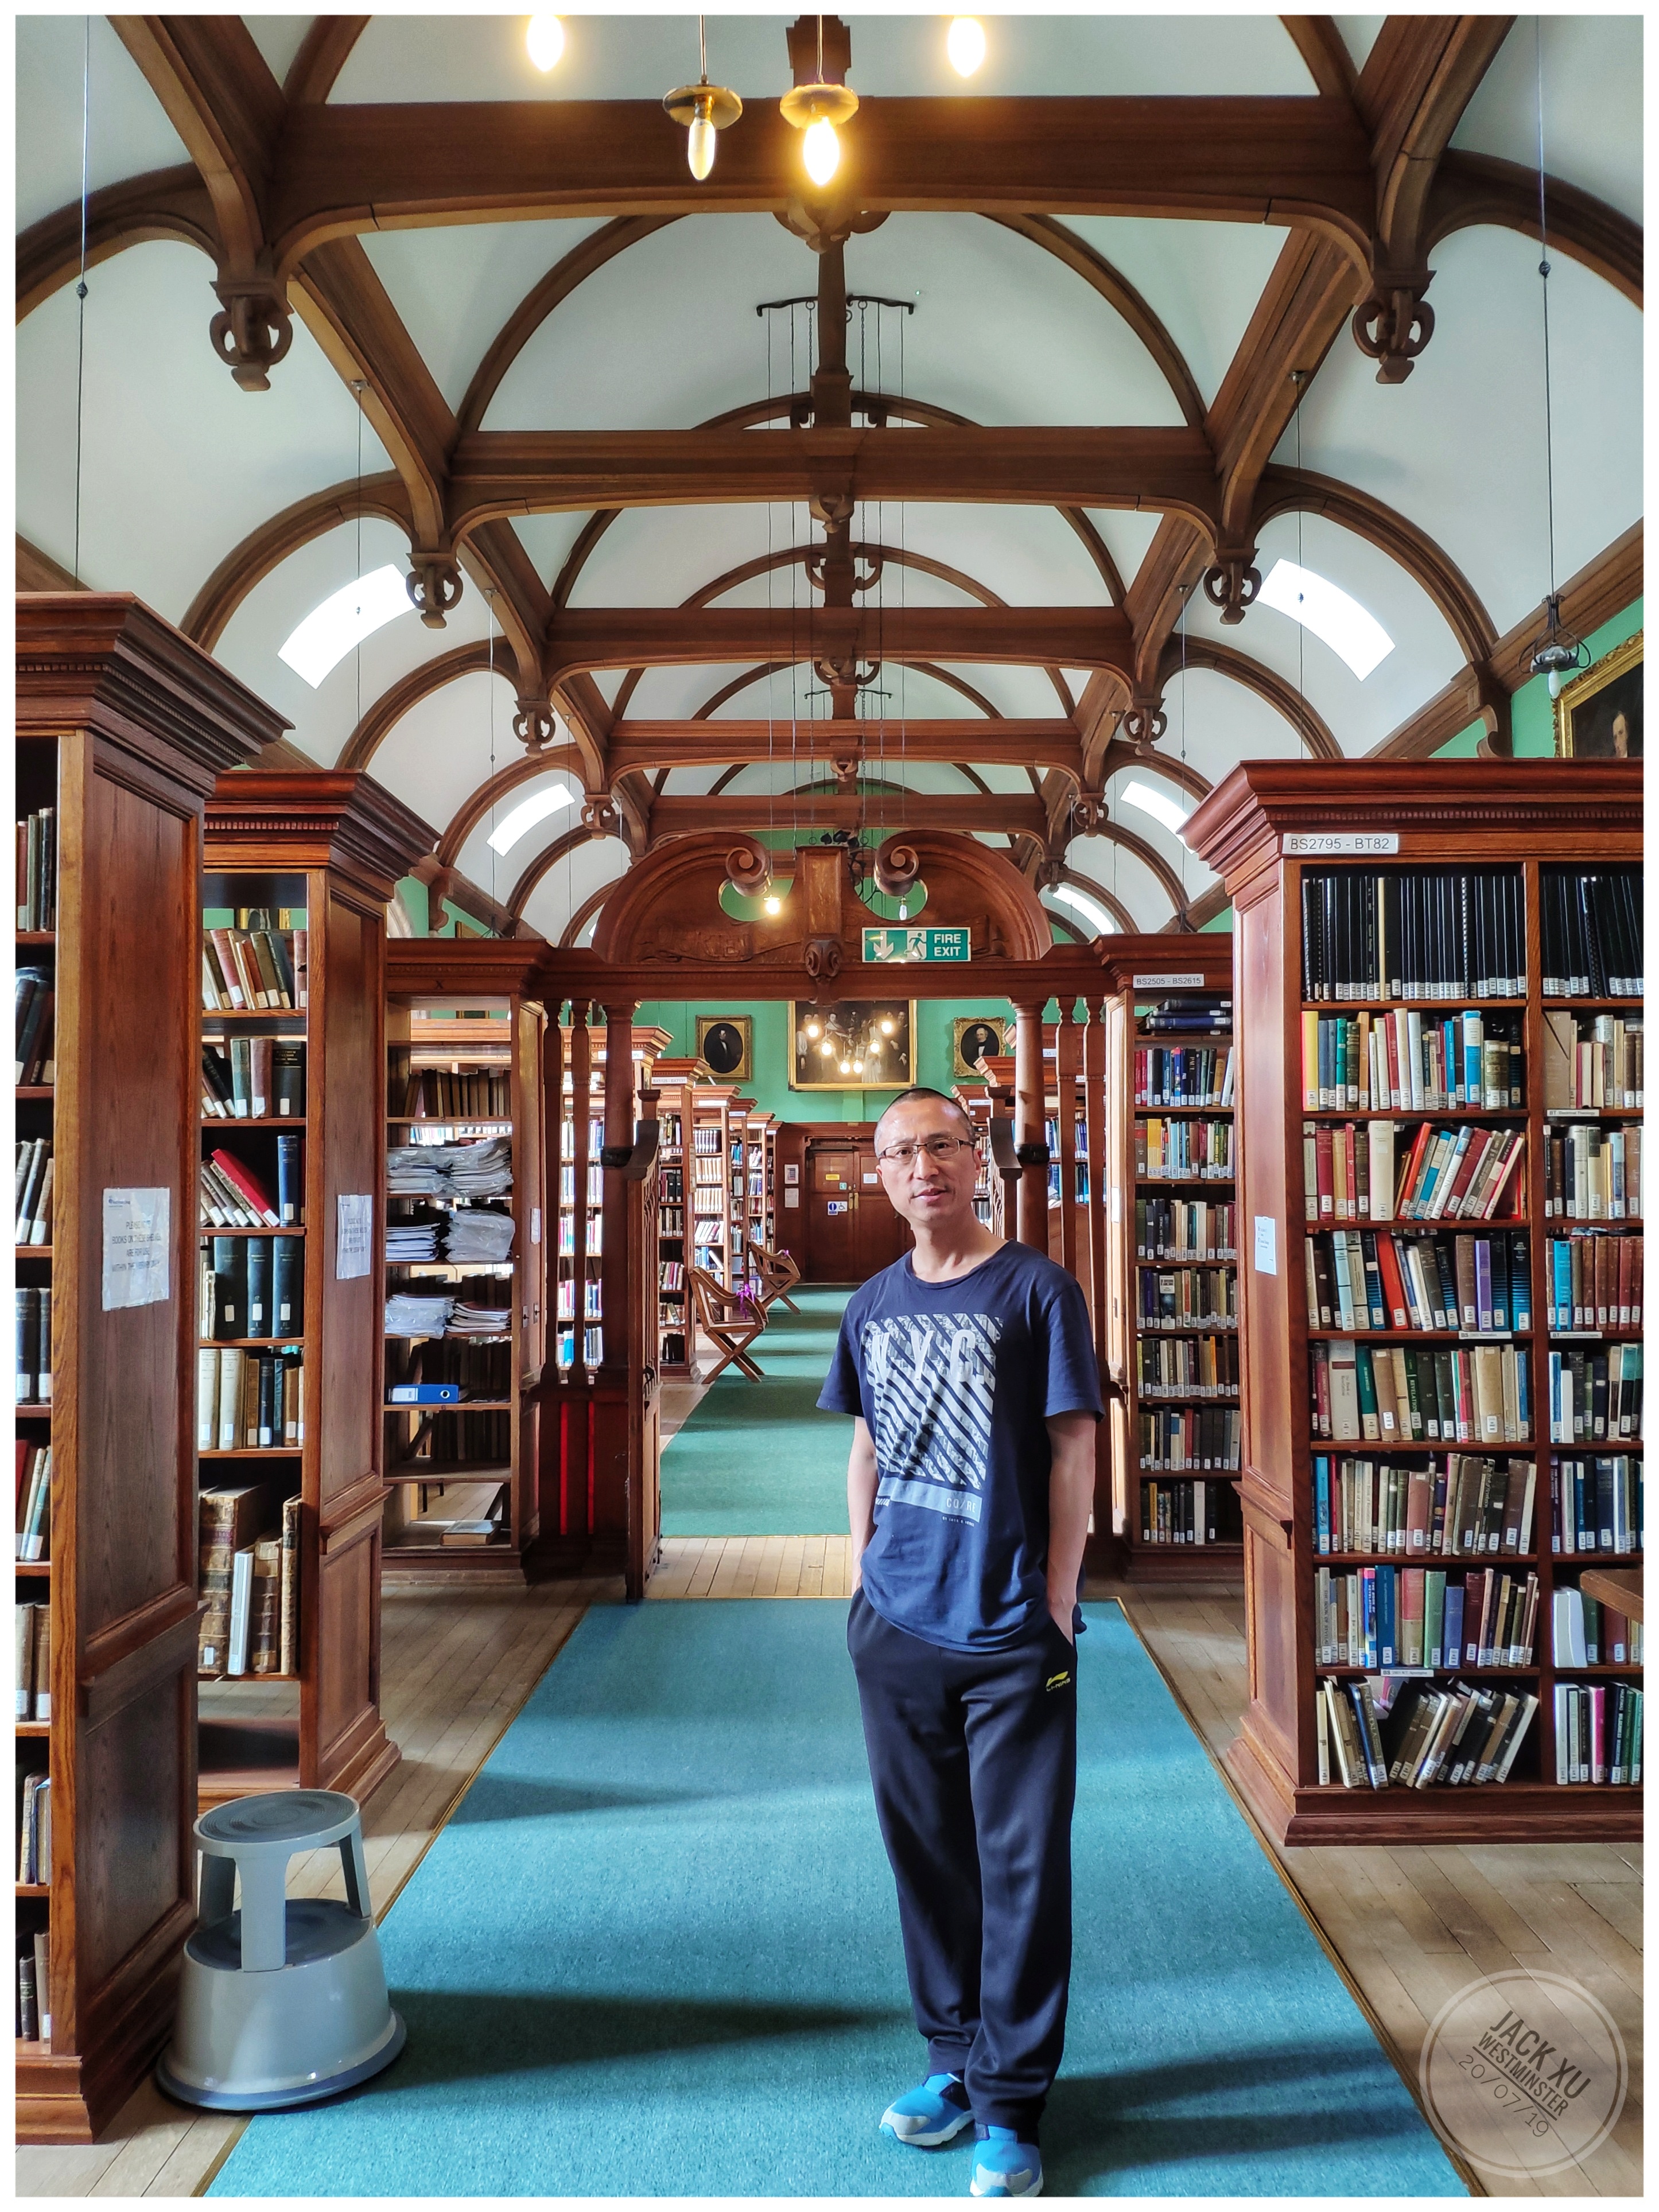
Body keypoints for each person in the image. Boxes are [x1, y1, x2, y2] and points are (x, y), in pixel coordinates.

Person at [817, 1085, 1102, 2199]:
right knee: (927, 1856)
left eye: (940, 1143)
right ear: (878, 1173)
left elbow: (1074, 1447)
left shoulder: (1037, 1288)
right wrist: (858, 1573)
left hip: (1011, 1628)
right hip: (897, 1624)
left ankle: (1012, 2101)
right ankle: (951, 2057)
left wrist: (1059, 1599)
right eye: (897, 1151)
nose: (920, 1164)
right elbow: (866, 1446)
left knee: (1022, 1864)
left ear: (977, 1156)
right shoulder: (873, 1302)